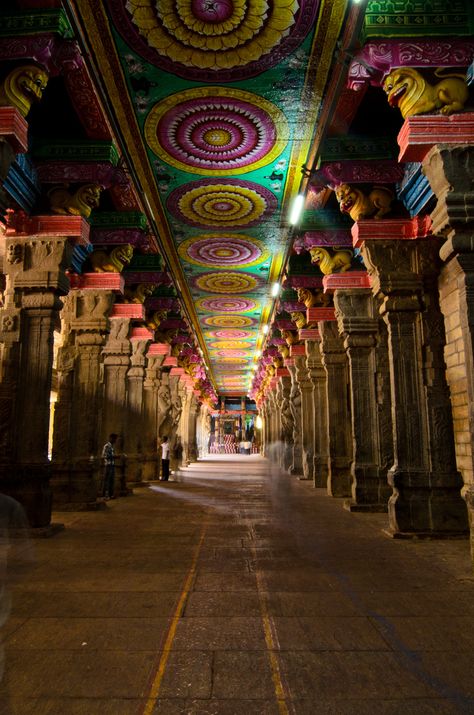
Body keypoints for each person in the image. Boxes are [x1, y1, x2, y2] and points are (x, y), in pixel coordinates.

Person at [102, 433, 118, 500]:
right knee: (107, 480)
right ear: (111, 438)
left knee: (111, 480)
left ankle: (111, 494)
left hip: (112, 465)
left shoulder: (111, 446)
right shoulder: (106, 446)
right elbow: (104, 455)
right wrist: (114, 456)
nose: (115, 441)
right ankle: (105, 495)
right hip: (108, 465)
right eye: (115, 439)